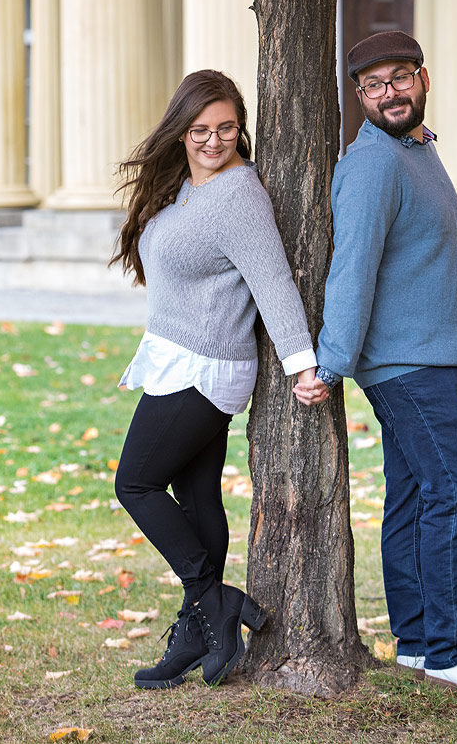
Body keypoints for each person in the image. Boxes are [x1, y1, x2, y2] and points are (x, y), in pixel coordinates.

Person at [294, 30, 457, 701]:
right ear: (358, 97)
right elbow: (351, 268)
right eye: (372, 85)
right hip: (404, 364)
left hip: (428, 359)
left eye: (398, 78)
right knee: (456, 488)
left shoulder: (416, 150)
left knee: (416, 493)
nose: (388, 93)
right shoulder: (372, 164)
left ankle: (422, 643)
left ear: (422, 79)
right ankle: (454, 650)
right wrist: (333, 360)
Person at [111, 69, 319, 690]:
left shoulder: (238, 195)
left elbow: (274, 281)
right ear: (181, 131)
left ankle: (213, 599)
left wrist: (301, 362)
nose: (213, 140)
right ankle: (197, 632)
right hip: (184, 358)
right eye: (200, 129)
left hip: (206, 366)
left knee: (137, 484)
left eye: (227, 128)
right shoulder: (185, 188)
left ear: (241, 129)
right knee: (197, 497)